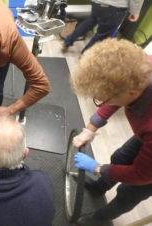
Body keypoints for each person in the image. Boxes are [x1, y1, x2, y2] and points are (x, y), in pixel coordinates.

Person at [69, 38, 152, 225]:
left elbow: (141, 175)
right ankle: (100, 187)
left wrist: (98, 168)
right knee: (122, 157)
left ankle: (99, 219)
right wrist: (90, 129)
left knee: (130, 191)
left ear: (132, 93)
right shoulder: (141, 66)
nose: (102, 103)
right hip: (147, 131)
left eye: (102, 99)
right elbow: (114, 94)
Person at [62, 0, 144, 53]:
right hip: (113, 7)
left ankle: (68, 41)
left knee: (88, 23)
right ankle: (85, 57)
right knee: (102, 35)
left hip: (96, 2)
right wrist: (135, 12)